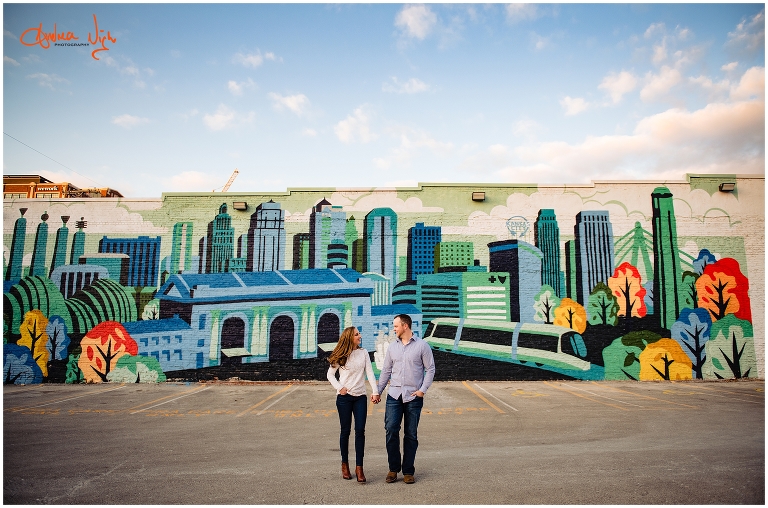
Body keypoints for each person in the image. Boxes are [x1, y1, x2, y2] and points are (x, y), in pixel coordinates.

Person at [372, 314, 435, 484]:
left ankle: (408, 471)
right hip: (394, 395)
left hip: (414, 397)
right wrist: (377, 391)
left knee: (411, 435)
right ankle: (393, 469)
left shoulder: (422, 346)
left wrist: (422, 390)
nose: (394, 329)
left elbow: (430, 369)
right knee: (391, 429)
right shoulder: (392, 348)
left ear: (405, 326)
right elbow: (385, 371)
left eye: (396, 326)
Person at [327, 326, 378, 483]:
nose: (359, 336)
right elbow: (330, 374)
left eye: (359, 334)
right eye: (357, 334)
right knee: (345, 431)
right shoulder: (341, 355)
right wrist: (339, 388)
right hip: (344, 398)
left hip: (360, 397)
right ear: (350, 337)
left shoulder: (363, 353)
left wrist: (375, 391)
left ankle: (359, 468)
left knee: (360, 431)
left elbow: (370, 373)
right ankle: (345, 465)